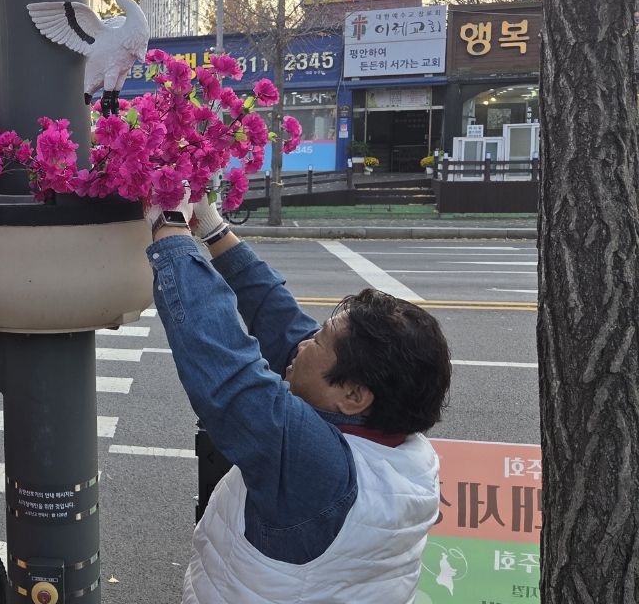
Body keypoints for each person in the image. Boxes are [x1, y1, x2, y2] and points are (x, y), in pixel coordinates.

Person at [144, 194, 451, 603]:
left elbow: (229, 376)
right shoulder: (397, 446)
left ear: (355, 395)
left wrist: (169, 230)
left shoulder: (323, 475)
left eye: (319, 341)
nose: (303, 345)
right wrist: (213, 229)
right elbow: (284, 325)